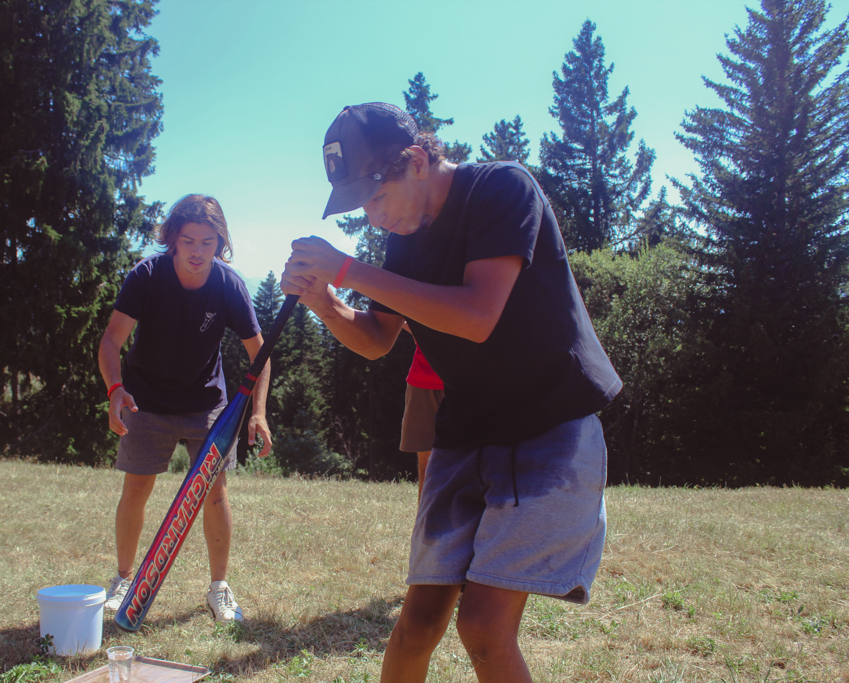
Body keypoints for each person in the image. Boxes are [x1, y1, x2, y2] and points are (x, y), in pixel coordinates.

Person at [281, 103, 621, 682]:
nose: (371, 217)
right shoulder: (403, 240)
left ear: (415, 161)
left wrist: (349, 270)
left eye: (374, 198)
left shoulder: (500, 188)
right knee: (416, 626)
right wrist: (325, 302)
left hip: (550, 427)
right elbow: (376, 340)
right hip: (467, 434)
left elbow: (477, 314)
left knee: (483, 626)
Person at [98, 194, 272, 623]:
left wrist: (258, 412)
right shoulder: (146, 276)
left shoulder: (229, 285)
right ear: (172, 240)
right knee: (136, 490)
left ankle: (219, 590)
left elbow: (261, 353)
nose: (197, 252)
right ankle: (124, 581)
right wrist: (115, 389)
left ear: (220, 243)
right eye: (188, 240)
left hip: (206, 404)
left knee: (214, 494)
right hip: (145, 400)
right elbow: (111, 341)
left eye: (208, 243)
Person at [401, 340, 443, 501]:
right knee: (427, 469)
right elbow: (403, 320)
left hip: (471, 381)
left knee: (475, 465)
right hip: (423, 381)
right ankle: (424, 525)